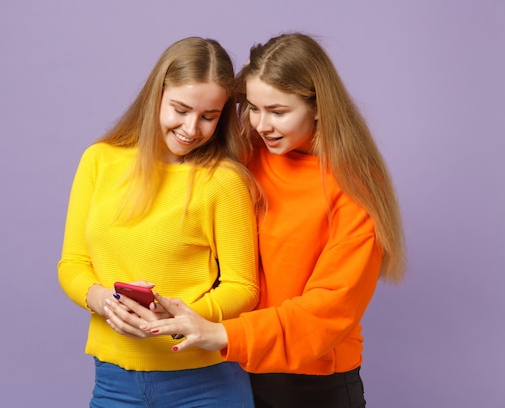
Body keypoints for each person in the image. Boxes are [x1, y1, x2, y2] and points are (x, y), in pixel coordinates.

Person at [105, 32, 406, 408]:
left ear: (318, 107)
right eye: (253, 108)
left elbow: (329, 309)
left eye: (278, 112)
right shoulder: (248, 154)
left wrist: (224, 333)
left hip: (312, 382)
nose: (262, 125)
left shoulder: (355, 187)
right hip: (231, 370)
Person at [57, 36, 264, 408]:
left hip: (205, 384)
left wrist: (180, 318)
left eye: (209, 117)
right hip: (113, 380)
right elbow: (72, 264)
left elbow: (243, 286)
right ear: (157, 94)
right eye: (180, 109)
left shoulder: (223, 180)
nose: (191, 128)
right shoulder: (99, 161)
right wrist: (103, 300)